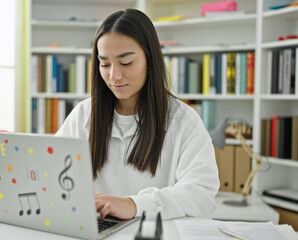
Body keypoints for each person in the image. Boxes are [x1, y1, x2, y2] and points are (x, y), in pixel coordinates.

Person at [55, 8, 219, 220]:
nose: (114, 75)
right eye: (104, 64)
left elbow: (201, 195)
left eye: (126, 63)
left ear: (150, 60)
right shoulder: (83, 114)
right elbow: (52, 174)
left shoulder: (183, 121)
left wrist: (133, 205)